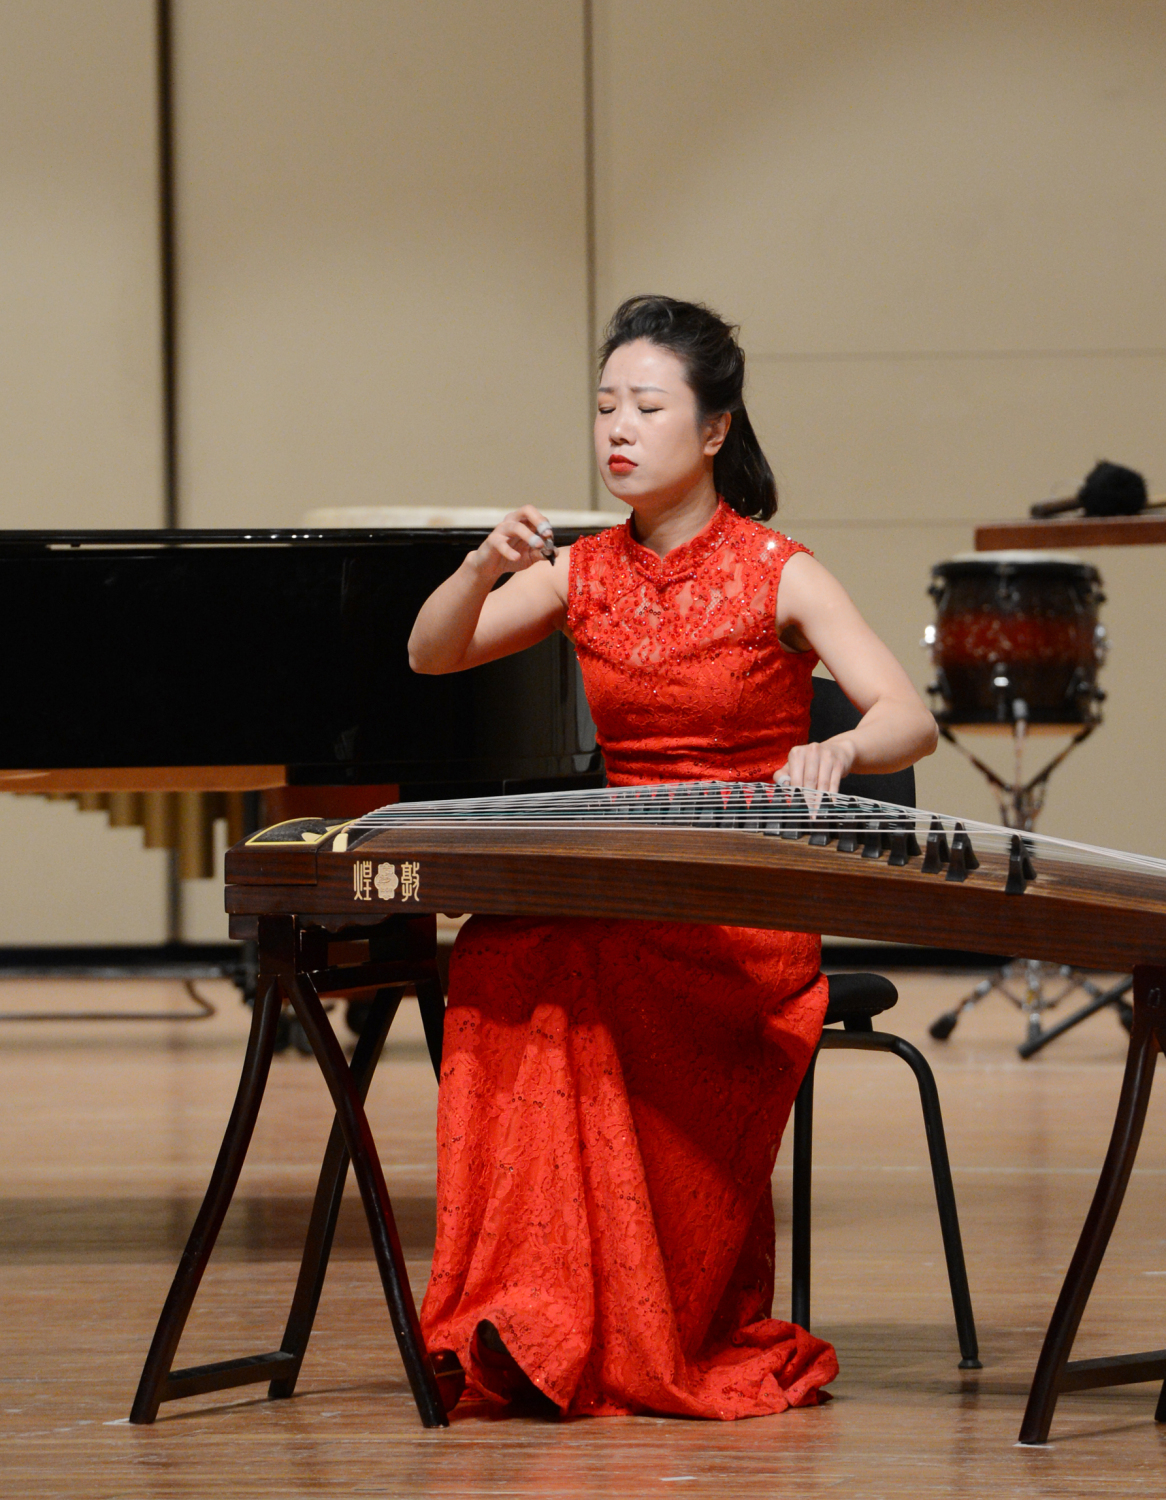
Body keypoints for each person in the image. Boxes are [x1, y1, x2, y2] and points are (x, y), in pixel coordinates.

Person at [408, 295, 937, 1420]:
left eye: (647, 407)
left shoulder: (779, 570)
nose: (618, 428)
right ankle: (535, 1314)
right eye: (605, 406)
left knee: (577, 965)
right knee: (501, 950)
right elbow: (431, 655)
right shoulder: (585, 571)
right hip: (625, 885)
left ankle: (614, 1322)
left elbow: (909, 717)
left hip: (739, 914)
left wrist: (841, 747)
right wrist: (480, 565)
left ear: (713, 429)